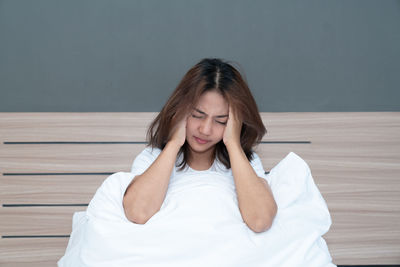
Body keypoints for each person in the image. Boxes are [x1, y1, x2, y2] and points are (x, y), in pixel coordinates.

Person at [123, 58, 277, 233]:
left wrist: (233, 143)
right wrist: (174, 143)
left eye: (221, 121)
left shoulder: (246, 164)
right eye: (197, 115)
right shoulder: (152, 158)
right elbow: (137, 213)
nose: (205, 129)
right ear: (180, 111)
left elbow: (260, 221)